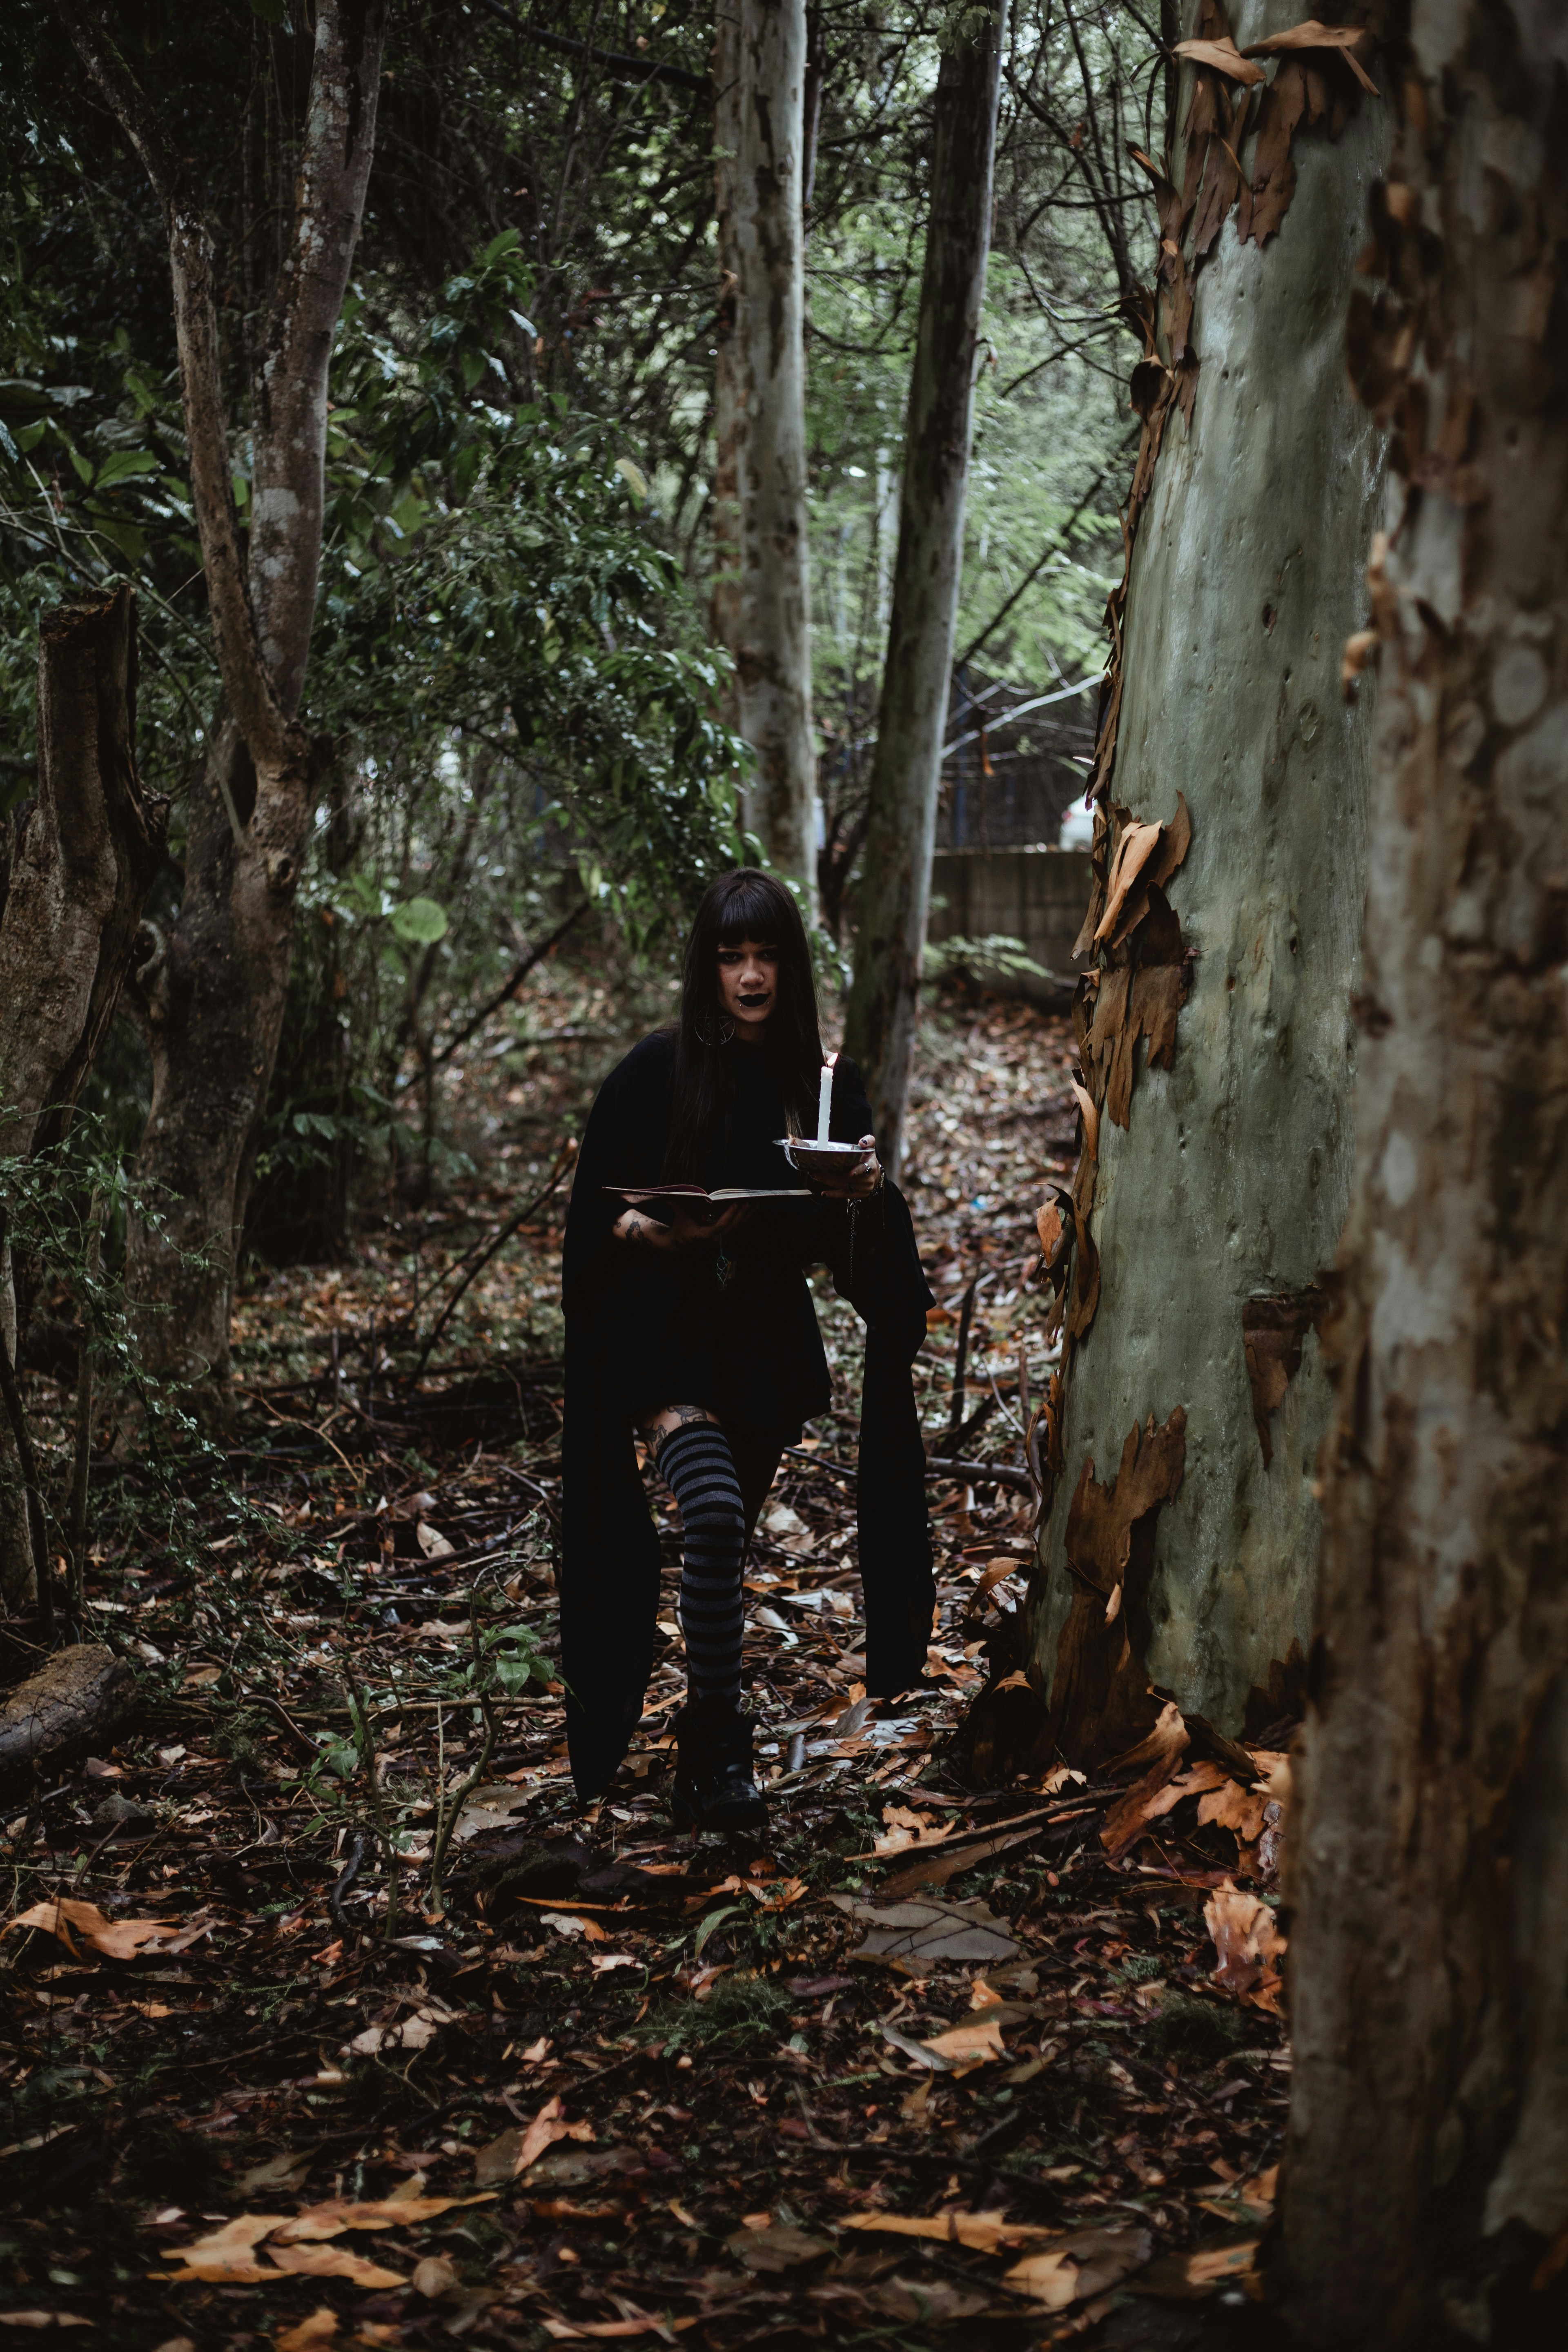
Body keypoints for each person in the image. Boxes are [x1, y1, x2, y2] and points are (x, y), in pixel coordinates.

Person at [560, 869, 935, 1829]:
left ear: (791, 967)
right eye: (732, 957)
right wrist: (657, 1233)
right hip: (665, 1348)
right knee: (718, 1517)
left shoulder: (820, 1085)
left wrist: (863, 1196)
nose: (751, 975)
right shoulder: (654, 1071)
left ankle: (706, 1740)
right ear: (708, 967)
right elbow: (590, 1228)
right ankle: (718, 1745)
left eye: (767, 955)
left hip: (765, 1357)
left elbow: (867, 1271)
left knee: (719, 1555)